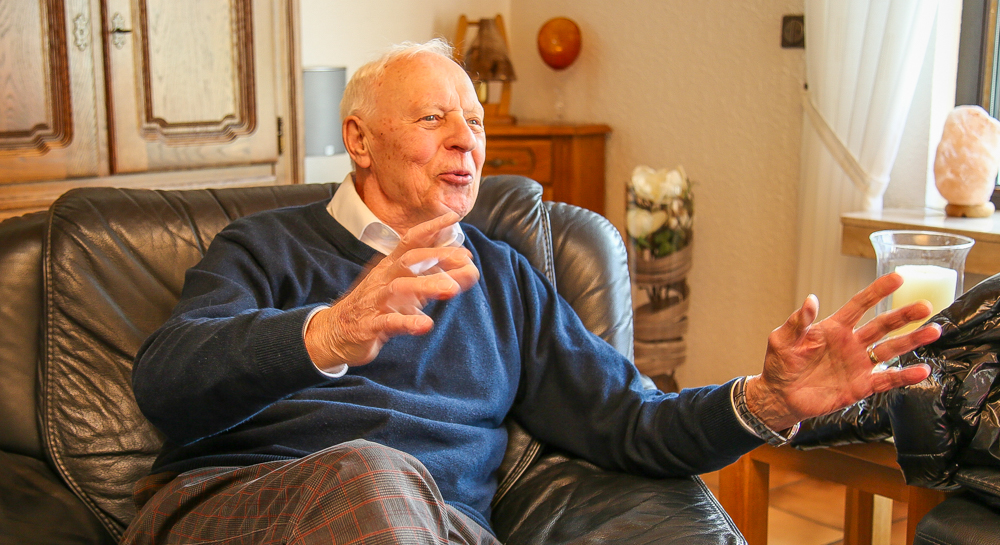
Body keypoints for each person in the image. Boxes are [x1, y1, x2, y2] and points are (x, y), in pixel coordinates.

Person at [122, 39, 940, 545]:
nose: (466, 142)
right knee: (372, 474)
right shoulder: (265, 246)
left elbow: (628, 419)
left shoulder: (506, 278)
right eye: (435, 119)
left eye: (476, 123)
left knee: (390, 489)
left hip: (434, 528)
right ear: (359, 141)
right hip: (242, 507)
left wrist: (765, 400)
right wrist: (328, 332)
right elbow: (166, 380)